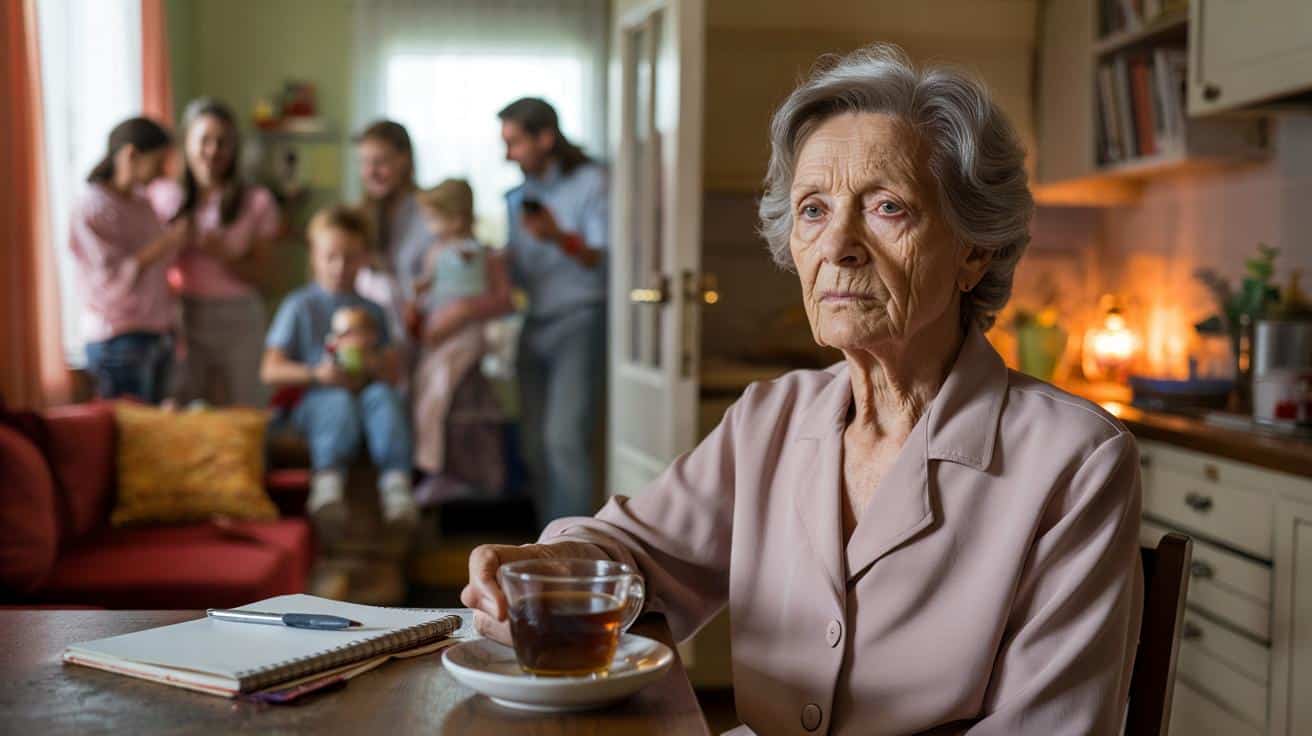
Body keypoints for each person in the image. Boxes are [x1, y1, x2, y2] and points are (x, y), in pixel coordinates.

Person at [464, 46, 1143, 735]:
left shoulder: (1074, 458)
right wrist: (550, 563)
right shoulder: (773, 416)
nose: (838, 245)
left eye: (887, 207)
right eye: (813, 211)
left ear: (976, 249)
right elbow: (634, 555)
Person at [261, 205, 417, 535]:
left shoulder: (372, 310)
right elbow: (270, 370)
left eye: (350, 257)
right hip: (317, 399)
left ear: (364, 258)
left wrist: (375, 365)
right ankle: (328, 485)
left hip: (368, 395)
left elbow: (392, 375)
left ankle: (396, 487)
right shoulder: (299, 305)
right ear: (314, 256)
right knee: (336, 401)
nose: (340, 267)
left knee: (384, 397)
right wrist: (318, 375)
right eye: (330, 256)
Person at [498, 97, 609, 525]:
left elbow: (602, 258)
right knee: (532, 446)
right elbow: (519, 271)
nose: (507, 155)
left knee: (563, 440)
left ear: (545, 138)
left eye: (514, 142)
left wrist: (558, 236)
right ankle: (547, 544)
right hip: (534, 320)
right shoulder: (516, 198)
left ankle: (571, 550)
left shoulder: (592, 182)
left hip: (580, 318)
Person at [148, 98, 281, 407]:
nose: (213, 151)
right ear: (187, 143)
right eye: (204, 140)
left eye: (223, 142)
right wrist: (175, 241)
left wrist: (221, 253)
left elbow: (265, 276)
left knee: (246, 408)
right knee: (187, 408)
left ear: (235, 149)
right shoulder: (163, 196)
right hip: (184, 315)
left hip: (240, 316)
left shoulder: (257, 200)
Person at [409, 178, 514, 505]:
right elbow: (432, 287)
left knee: (441, 389)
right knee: (427, 387)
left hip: (464, 337)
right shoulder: (436, 252)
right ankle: (435, 467)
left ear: (455, 218)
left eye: (433, 218)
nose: (428, 226)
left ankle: (440, 468)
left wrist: (465, 310)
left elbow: (504, 299)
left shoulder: (483, 255)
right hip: (437, 337)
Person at [70, 117, 189, 403]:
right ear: (131, 155)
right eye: (158, 161)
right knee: (129, 436)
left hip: (157, 333)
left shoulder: (142, 202)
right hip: (118, 341)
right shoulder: (92, 208)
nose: (162, 171)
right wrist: (163, 245)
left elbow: (161, 264)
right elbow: (107, 281)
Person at [354, 120, 430, 296]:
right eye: (364, 162)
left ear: (404, 160)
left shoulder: (431, 214)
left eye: (379, 162)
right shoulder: (356, 217)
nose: (371, 172)